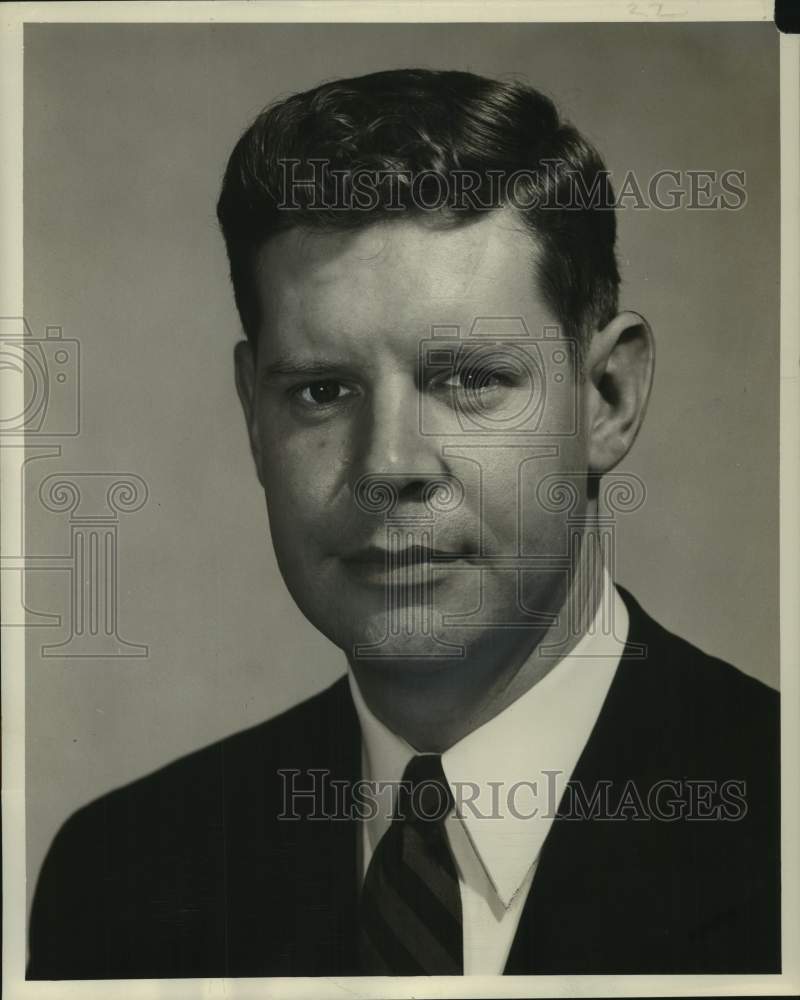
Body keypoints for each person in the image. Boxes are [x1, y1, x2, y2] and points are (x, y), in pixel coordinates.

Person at [27, 68, 780, 979]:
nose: (388, 465)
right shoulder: (120, 874)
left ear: (608, 396)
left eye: (468, 380)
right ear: (252, 418)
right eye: (321, 391)